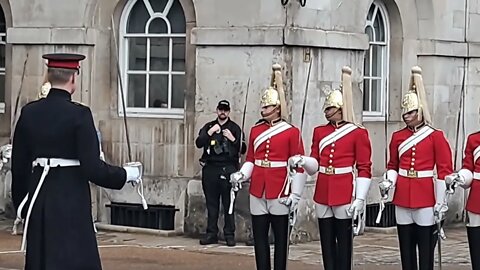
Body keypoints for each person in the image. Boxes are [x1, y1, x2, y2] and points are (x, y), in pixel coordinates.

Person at [11, 53, 143, 270]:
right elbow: (92, 168)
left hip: (39, 200)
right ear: (73, 78)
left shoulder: (29, 112)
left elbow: (19, 167)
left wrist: (22, 207)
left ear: (49, 76)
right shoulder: (79, 115)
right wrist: (127, 174)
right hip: (71, 201)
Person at [288, 66, 372, 270]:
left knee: (343, 243)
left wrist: (360, 198)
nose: (326, 113)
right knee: (326, 243)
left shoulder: (357, 133)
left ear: (340, 109)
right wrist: (303, 161)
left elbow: (364, 167)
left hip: (344, 190)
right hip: (323, 189)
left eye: (329, 109)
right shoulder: (319, 131)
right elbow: (315, 163)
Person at [230, 64, 307, 270]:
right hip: (258, 188)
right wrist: (241, 174)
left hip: (280, 188)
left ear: (277, 108)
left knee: (281, 241)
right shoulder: (256, 129)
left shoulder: (292, 132)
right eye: (263, 107)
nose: (263, 110)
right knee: (260, 239)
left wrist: (296, 194)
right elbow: (251, 160)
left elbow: (299, 166)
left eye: (267, 107)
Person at [378, 66, 453, 270]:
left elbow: (444, 171)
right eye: (405, 112)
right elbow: (393, 165)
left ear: (420, 111)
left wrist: (440, 202)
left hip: (425, 197)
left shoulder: (435, 136)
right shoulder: (397, 137)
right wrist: (389, 181)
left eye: (411, 112)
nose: (406, 116)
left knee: (426, 251)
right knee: (406, 250)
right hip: (403, 197)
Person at [195, 99, 246, 246]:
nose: (222, 112)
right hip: (211, 168)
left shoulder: (234, 128)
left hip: (228, 168)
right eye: (220, 109)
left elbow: (242, 149)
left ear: (229, 112)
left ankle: (229, 234)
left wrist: (232, 138)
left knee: (229, 203)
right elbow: (199, 143)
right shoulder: (209, 126)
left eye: (225, 110)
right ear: (217, 110)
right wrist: (210, 132)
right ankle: (211, 233)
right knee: (212, 204)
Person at [445, 118, 480, 269]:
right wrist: (460, 177)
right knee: (476, 240)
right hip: (478, 196)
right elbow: (468, 167)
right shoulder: (474, 139)